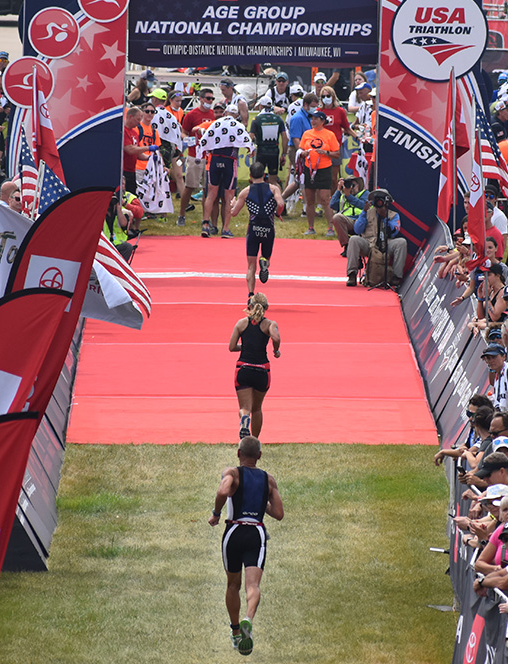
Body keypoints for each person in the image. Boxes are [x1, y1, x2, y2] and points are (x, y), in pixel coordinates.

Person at [208, 436, 284, 656]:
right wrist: (261, 504)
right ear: (259, 456)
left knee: (233, 584)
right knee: (253, 586)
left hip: (234, 532)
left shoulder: (231, 472)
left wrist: (216, 513)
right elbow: (278, 513)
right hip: (256, 533)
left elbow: (223, 491)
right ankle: (247, 619)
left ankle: (234, 633)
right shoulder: (268, 480)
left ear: (238, 453)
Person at [229, 293, 280, 441]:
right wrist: (275, 350)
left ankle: (244, 418)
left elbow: (232, 347)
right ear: (266, 308)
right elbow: (276, 337)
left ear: (249, 306)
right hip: (262, 370)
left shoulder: (241, 324)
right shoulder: (270, 324)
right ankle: (254, 441)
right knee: (257, 408)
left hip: (243, 368)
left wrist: (246, 347)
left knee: (245, 407)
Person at [229, 163, 283, 296]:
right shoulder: (273, 189)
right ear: (264, 174)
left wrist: (234, 204)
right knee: (266, 258)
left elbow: (233, 213)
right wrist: (277, 213)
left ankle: (251, 295)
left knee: (251, 266)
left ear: (250, 175)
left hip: (253, 228)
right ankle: (264, 263)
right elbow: (281, 203)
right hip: (268, 228)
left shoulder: (245, 192)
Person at [345, 188, 407, 287]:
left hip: (386, 244)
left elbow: (394, 232)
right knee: (353, 240)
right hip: (369, 243)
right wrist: (364, 213)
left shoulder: (393, 215)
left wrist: (385, 218)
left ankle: (396, 277)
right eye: (377, 200)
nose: (379, 202)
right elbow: (357, 230)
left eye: (381, 200)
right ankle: (352, 274)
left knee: (401, 242)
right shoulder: (367, 212)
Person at [299, 111, 339, 236]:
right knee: (309, 199)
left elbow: (337, 153)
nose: (313, 121)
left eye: (316, 119)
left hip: (324, 169)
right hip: (309, 168)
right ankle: (310, 227)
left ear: (322, 121)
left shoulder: (329, 135)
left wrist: (326, 153)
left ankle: (330, 228)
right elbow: (301, 149)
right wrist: (303, 153)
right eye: (312, 119)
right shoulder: (307, 134)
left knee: (324, 199)